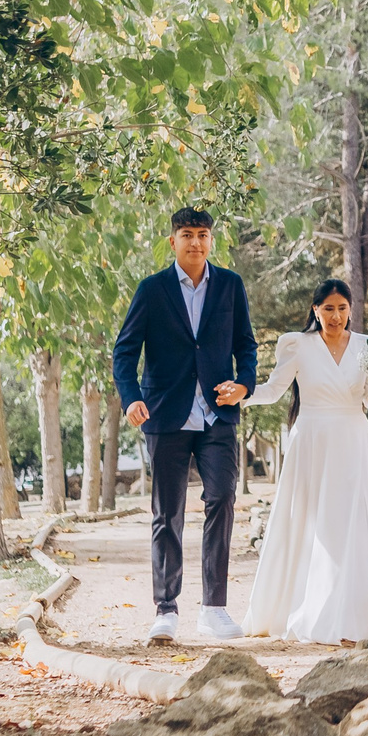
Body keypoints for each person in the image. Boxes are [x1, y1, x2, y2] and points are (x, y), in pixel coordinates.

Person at [112, 207, 256, 643]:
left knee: (222, 500)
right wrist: (131, 396)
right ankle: (166, 609)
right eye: (187, 234)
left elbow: (246, 347)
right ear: (172, 241)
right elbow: (124, 351)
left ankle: (213, 609)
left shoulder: (230, 285)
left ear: (212, 240)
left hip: (216, 414)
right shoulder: (152, 290)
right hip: (166, 414)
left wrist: (243, 386)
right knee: (167, 513)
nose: (196, 242)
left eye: (203, 234)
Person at [242, 279, 368, 643]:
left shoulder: (367, 347)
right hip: (311, 440)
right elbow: (272, 390)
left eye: (342, 308)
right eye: (328, 308)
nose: (336, 315)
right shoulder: (299, 345)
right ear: (315, 310)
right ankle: (301, 607)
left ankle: (345, 610)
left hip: (352, 439)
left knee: (348, 522)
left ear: (350, 310)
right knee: (311, 523)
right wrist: (242, 393)